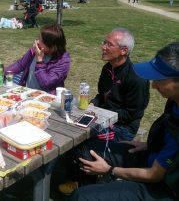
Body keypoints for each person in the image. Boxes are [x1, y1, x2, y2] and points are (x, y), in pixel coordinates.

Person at [70, 42, 179, 201]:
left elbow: (153, 175)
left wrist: (109, 170)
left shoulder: (135, 79)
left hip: (165, 187)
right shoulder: (174, 101)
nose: (154, 86)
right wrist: (151, 144)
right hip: (152, 155)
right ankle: (92, 189)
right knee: (87, 150)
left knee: (81, 197)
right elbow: (171, 142)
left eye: (159, 80)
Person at [58, 28, 150, 194]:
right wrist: (94, 104)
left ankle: (87, 190)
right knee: (69, 130)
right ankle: (73, 178)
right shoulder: (107, 69)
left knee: (87, 149)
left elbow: (133, 114)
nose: (103, 46)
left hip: (123, 128)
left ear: (124, 51)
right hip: (103, 118)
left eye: (109, 44)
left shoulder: (137, 78)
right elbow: (102, 96)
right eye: (104, 42)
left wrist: (104, 115)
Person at [5, 25, 71, 94]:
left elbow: (46, 84)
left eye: (41, 40)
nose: (37, 42)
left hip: (47, 99)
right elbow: (20, 65)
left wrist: (39, 61)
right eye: (38, 38)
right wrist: (2, 73)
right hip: (27, 94)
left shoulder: (62, 60)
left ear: (51, 46)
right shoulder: (34, 51)